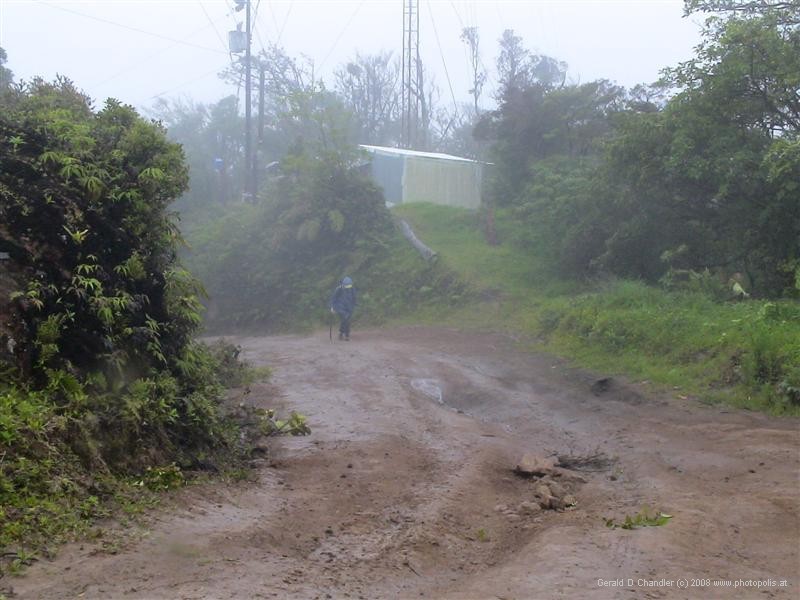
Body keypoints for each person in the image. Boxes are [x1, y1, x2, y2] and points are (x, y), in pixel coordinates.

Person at [329, 276, 357, 341]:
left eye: (349, 286)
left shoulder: (352, 288)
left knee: (345, 320)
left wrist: (354, 304)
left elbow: (354, 297)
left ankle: (341, 333)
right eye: (346, 286)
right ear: (343, 284)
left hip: (349, 307)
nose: (348, 287)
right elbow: (333, 299)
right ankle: (347, 335)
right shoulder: (339, 289)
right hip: (340, 307)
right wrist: (332, 307)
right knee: (346, 319)